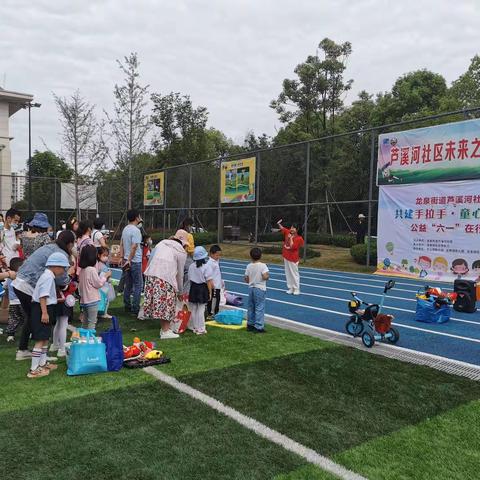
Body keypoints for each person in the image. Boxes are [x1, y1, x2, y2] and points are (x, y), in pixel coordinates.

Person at [12, 230, 76, 361]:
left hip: (19, 282)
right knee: (40, 321)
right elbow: (62, 281)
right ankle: (39, 355)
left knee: (31, 318)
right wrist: (69, 275)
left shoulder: (50, 246)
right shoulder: (60, 254)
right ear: (70, 244)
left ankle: (24, 350)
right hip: (29, 287)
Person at [27, 252, 70, 378]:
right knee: (40, 339)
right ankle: (34, 369)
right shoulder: (48, 277)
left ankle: (42, 363)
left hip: (45, 307)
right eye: (63, 268)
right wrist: (44, 313)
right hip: (42, 309)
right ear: (55, 266)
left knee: (45, 337)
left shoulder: (48, 276)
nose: (63, 271)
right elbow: (43, 296)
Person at [143, 230, 188, 339]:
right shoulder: (181, 252)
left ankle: (165, 329)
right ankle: (165, 331)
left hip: (152, 274)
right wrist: (180, 291)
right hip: (166, 278)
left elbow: (151, 259)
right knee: (168, 304)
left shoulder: (161, 243)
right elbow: (180, 274)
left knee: (159, 303)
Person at [78, 244, 110, 330]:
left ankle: (83, 339)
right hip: (92, 300)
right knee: (92, 322)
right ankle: (90, 340)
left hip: (84, 300)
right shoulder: (91, 270)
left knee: (85, 322)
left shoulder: (82, 270)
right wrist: (105, 276)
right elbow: (98, 283)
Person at [120, 209, 144, 315]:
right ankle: (135, 308)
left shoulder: (125, 229)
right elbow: (134, 246)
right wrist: (129, 259)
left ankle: (127, 305)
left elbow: (121, 244)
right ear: (136, 218)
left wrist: (123, 258)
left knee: (128, 284)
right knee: (138, 285)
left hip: (126, 260)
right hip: (134, 261)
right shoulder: (136, 231)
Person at [188, 246, 214, 335]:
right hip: (202, 288)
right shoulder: (206, 267)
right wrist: (210, 292)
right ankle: (201, 328)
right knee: (201, 309)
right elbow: (209, 281)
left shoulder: (191, 266)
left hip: (193, 288)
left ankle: (194, 327)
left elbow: (190, 279)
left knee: (194, 308)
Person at [245, 247, 270, 333]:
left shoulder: (249, 266)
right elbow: (265, 276)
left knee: (251, 306)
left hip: (251, 288)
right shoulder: (263, 265)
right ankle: (258, 326)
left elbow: (246, 279)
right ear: (260, 256)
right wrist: (266, 276)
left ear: (251, 256)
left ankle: (250, 324)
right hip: (260, 288)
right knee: (259, 307)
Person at [276, 219, 304, 295]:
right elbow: (283, 229)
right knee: (288, 273)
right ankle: (291, 287)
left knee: (294, 274)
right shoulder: (288, 232)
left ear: (297, 229)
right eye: (291, 227)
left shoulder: (299, 238)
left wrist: (291, 238)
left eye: (293, 228)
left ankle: (296, 288)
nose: (291, 229)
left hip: (293, 258)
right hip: (286, 256)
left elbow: (293, 247)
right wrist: (279, 224)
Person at [3, 257, 24, 342]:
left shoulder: (8, 277)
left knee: (13, 318)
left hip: (12, 302)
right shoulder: (21, 276)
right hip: (22, 302)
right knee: (26, 318)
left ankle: (10, 335)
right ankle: (28, 333)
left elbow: (5, 287)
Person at [206, 245, 222, 320]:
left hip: (218, 285)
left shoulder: (215, 261)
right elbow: (209, 275)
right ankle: (211, 314)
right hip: (214, 286)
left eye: (219, 255)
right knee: (213, 300)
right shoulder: (210, 263)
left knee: (217, 300)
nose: (218, 256)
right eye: (217, 255)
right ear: (211, 254)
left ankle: (215, 313)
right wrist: (211, 283)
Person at [97, 246, 113, 320]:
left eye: (107, 256)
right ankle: (104, 313)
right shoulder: (101, 266)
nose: (106, 257)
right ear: (99, 255)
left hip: (102, 285)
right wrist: (109, 276)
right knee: (105, 300)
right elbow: (106, 277)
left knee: (102, 300)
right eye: (104, 255)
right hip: (103, 286)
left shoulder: (99, 264)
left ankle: (101, 313)